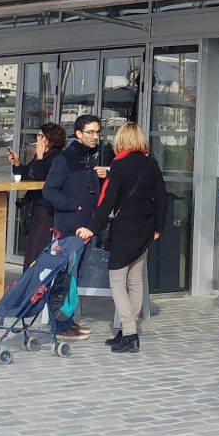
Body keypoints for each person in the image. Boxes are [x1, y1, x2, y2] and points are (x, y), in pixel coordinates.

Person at [83, 121, 167, 354]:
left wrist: (93, 227)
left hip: (124, 229)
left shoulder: (118, 165)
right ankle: (127, 331)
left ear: (122, 140)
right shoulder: (151, 163)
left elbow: (108, 201)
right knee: (135, 280)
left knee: (117, 282)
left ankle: (129, 333)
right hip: (145, 230)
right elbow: (161, 197)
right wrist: (158, 227)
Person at [42, 113, 105, 340]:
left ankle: (67, 321)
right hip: (69, 229)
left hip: (83, 228)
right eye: (90, 132)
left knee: (73, 277)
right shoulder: (65, 159)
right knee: (63, 278)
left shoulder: (89, 158)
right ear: (78, 134)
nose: (95, 136)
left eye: (97, 132)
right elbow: (49, 191)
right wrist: (75, 207)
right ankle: (60, 327)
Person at [15, 122, 66, 269]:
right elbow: (28, 173)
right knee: (32, 245)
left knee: (38, 246)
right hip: (35, 204)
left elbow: (40, 176)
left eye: (41, 136)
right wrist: (17, 165)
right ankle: (28, 280)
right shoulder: (42, 155)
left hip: (46, 207)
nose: (37, 139)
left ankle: (35, 283)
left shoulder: (56, 157)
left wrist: (39, 157)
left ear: (51, 138)